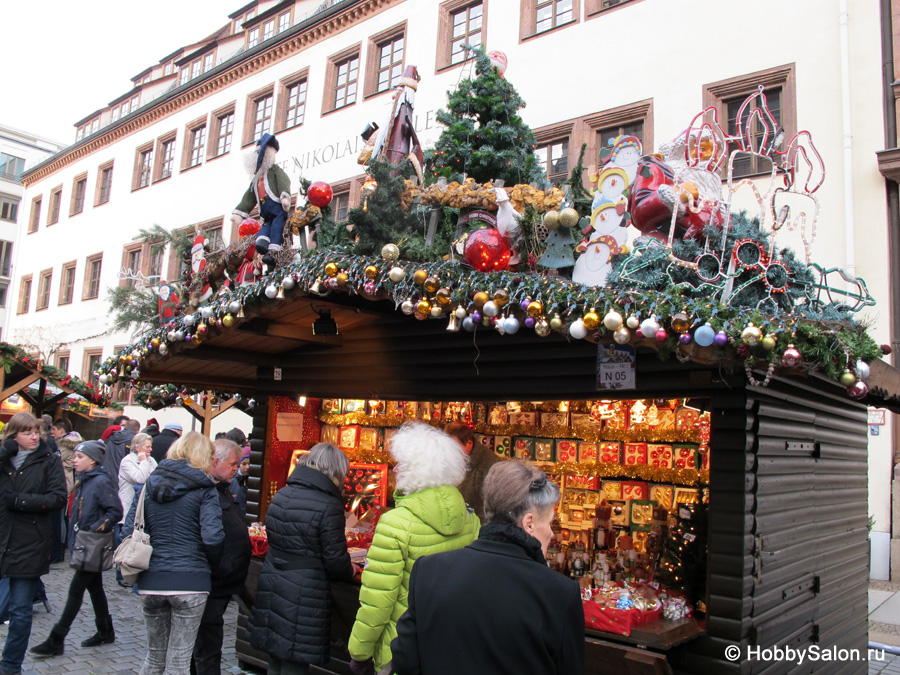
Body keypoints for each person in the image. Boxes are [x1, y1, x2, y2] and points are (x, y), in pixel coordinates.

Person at [390, 461, 585, 675]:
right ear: (529, 523)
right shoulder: (559, 593)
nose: (551, 534)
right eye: (549, 523)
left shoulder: (429, 570)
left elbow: (406, 661)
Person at [348, 423, 479, 675]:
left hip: (398, 651)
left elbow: (377, 602)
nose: (395, 469)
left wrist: (359, 653)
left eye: (402, 464)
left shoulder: (394, 524)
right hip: (447, 648)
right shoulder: (470, 520)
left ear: (419, 471)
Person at [123, 431, 224, 675]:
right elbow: (213, 537)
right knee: (179, 661)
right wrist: (212, 565)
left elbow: (128, 529)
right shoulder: (205, 488)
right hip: (191, 579)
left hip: (151, 578)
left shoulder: (149, 484)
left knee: (155, 657)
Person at [249, 443, 354, 675]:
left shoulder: (283, 493)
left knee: (276, 654)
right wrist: (352, 571)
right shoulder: (329, 504)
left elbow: (272, 537)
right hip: (305, 590)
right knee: (294, 661)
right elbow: (336, 560)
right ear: (335, 471)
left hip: (273, 580)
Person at [30, 440, 123, 658]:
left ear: (93, 460)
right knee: (95, 587)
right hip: (84, 543)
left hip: (92, 544)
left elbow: (115, 511)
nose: (75, 460)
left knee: (75, 590)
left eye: (80, 457)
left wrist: (94, 529)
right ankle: (105, 631)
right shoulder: (84, 480)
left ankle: (57, 638)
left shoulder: (100, 481)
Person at [0, 412, 67, 674]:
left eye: (36, 431)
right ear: (13, 434)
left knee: (19, 610)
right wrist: (3, 453)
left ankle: (10, 665)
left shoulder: (48, 460)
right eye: (27, 432)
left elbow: (58, 497)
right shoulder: (4, 459)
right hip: (2, 537)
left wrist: (22, 501)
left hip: (29, 542)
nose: (34, 436)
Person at [191, 439, 251, 675]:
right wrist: (224, 567)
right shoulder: (206, 493)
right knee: (207, 644)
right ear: (215, 462)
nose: (236, 468)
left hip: (222, 581)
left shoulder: (223, 488)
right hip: (212, 582)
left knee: (208, 642)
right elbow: (210, 539)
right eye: (233, 463)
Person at [117, 432, 158, 587]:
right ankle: (121, 571)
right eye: (147, 447)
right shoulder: (127, 461)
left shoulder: (151, 460)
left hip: (144, 506)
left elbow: (156, 477)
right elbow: (140, 478)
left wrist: (146, 463)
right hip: (128, 505)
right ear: (138, 447)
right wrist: (143, 462)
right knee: (126, 538)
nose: (150, 450)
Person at [444, 422, 501, 521]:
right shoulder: (454, 460)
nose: (449, 451)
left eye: (454, 446)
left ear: (469, 444)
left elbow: (492, 507)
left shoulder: (487, 466)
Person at [104, 419, 140, 483]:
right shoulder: (134, 442)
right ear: (138, 431)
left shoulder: (110, 439)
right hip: (124, 480)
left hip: (106, 477)